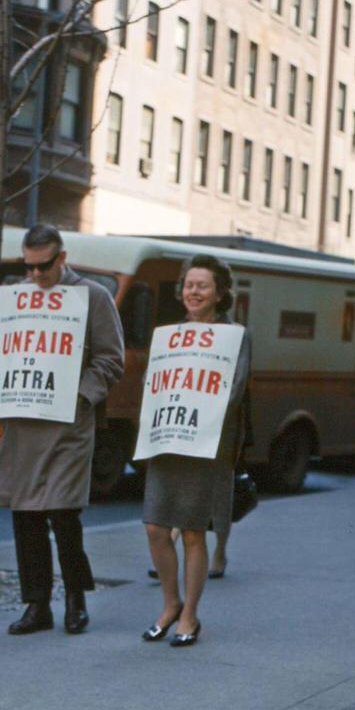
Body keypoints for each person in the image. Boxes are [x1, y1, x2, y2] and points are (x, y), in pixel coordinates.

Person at [0, 225, 125, 636]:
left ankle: (76, 600)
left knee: (64, 514)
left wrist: (80, 397)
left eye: (44, 266)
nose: (36, 275)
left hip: (68, 424)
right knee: (25, 514)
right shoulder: (16, 299)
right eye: (28, 267)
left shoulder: (93, 297)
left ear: (62, 258)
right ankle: (37, 604)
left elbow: (111, 360)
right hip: (25, 422)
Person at [141, 256, 251, 647]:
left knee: (191, 532)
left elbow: (234, 389)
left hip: (206, 444)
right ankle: (170, 603)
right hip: (167, 439)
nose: (193, 292)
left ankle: (190, 616)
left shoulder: (234, 335)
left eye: (203, 285)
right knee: (155, 526)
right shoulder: (170, 335)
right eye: (189, 284)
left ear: (220, 293)